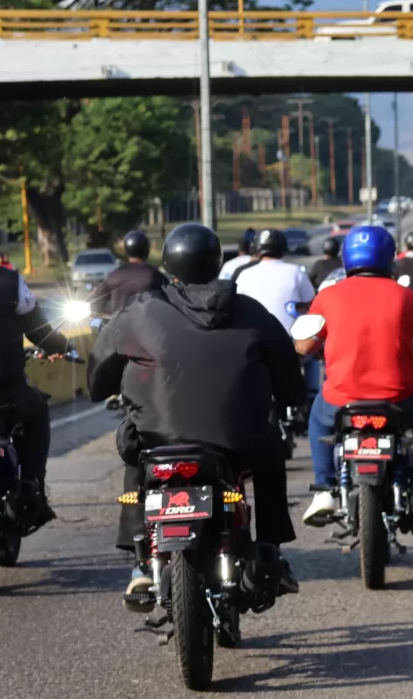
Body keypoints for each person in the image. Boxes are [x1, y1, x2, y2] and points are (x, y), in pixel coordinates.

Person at [87, 224, 304, 603]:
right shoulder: (252, 312)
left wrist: (106, 386)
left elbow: (98, 373)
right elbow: (289, 377)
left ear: (169, 265)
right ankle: (269, 548)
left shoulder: (139, 312)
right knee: (271, 453)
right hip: (237, 443)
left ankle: (140, 561)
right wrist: (286, 397)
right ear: (218, 262)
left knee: (135, 457)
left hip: (157, 441)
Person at [297, 226, 413, 525]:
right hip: (399, 399)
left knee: (316, 415)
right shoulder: (407, 298)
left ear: (347, 258)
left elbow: (304, 345)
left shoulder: (328, 297)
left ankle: (325, 489)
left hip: (342, 399)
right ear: (389, 257)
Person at [0, 229, 68, 535]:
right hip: (5, 393)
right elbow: (37, 327)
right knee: (37, 414)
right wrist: (62, 347)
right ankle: (32, 485)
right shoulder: (9, 282)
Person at [233, 229, 319, 399]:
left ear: (257, 248)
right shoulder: (295, 272)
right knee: (314, 356)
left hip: (254, 344)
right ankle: (312, 395)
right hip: (289, 345)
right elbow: (312, 304)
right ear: (282, 247)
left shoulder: (244, 275)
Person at [91, 230, 168, 316]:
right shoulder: (155, 276)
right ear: (147, 250)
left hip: (118, 327)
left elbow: (96, 304)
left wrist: (112, 315)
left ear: (126, 250)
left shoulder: (114, 275)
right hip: (148, 327)